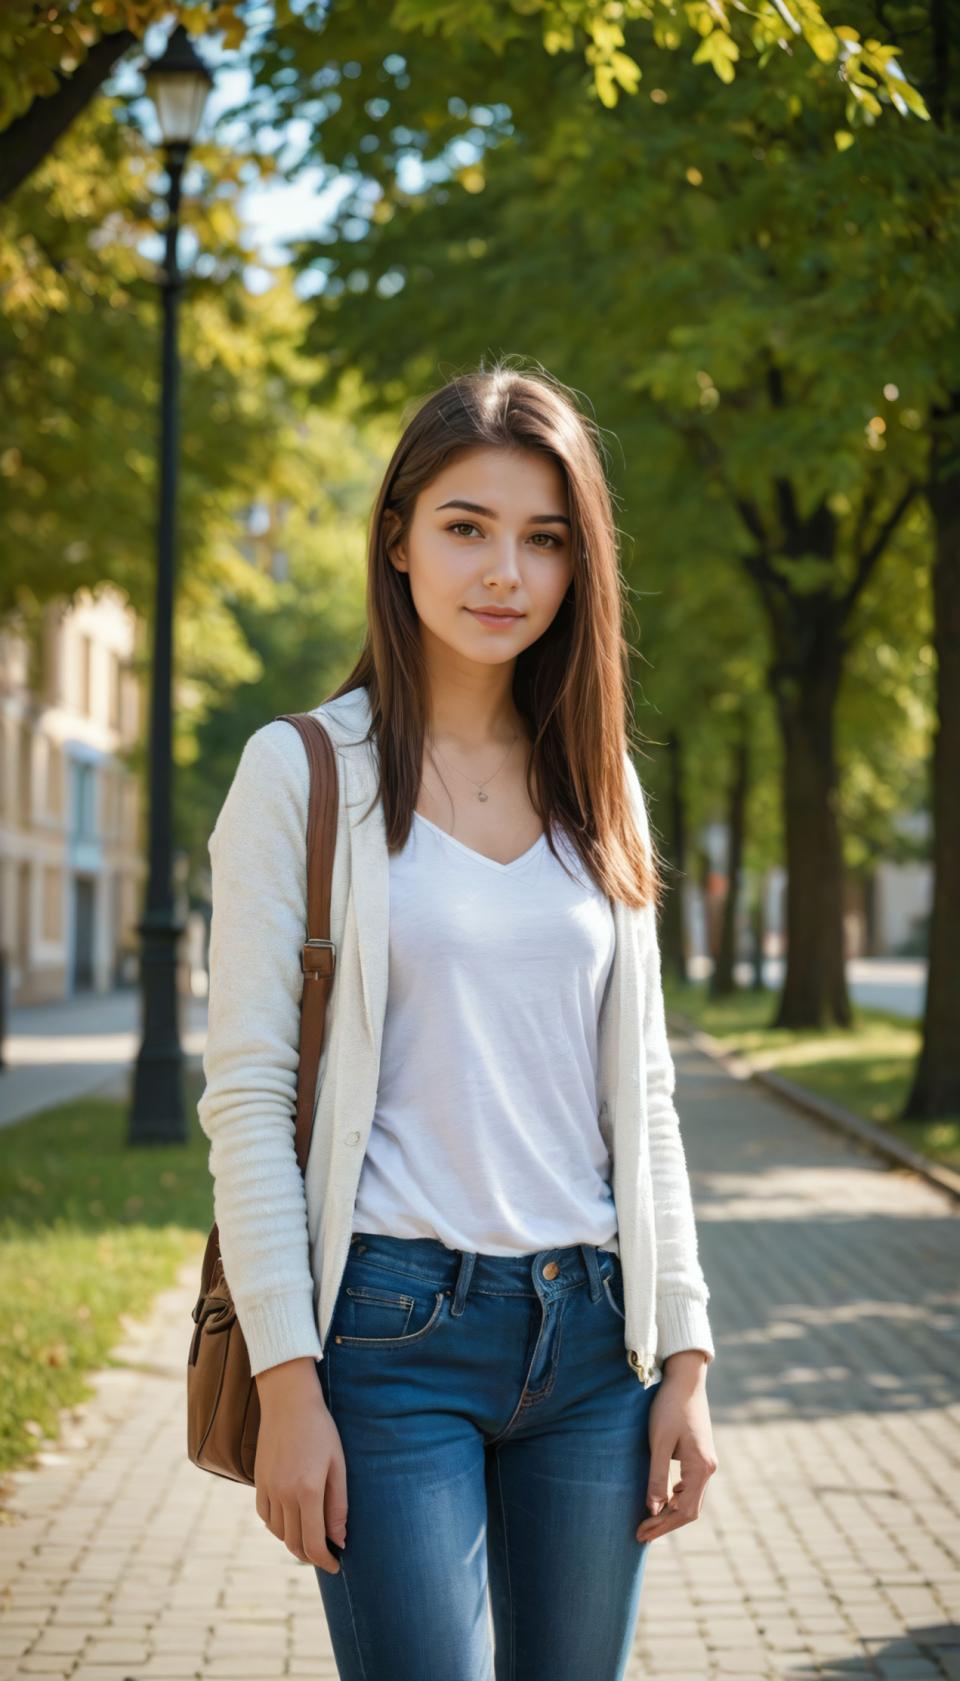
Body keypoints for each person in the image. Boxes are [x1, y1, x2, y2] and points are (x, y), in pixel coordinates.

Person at [197, 360, 719, 1681]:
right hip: (385, 1339)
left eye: (545, 538)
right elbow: (251, 1099)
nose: (507, 572)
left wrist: (689, 1352)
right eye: (467, 527)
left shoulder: (602, 790)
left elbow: (642, 1095)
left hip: (595, 1345)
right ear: (399, 540)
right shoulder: (305, 774)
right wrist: (287, 1379)